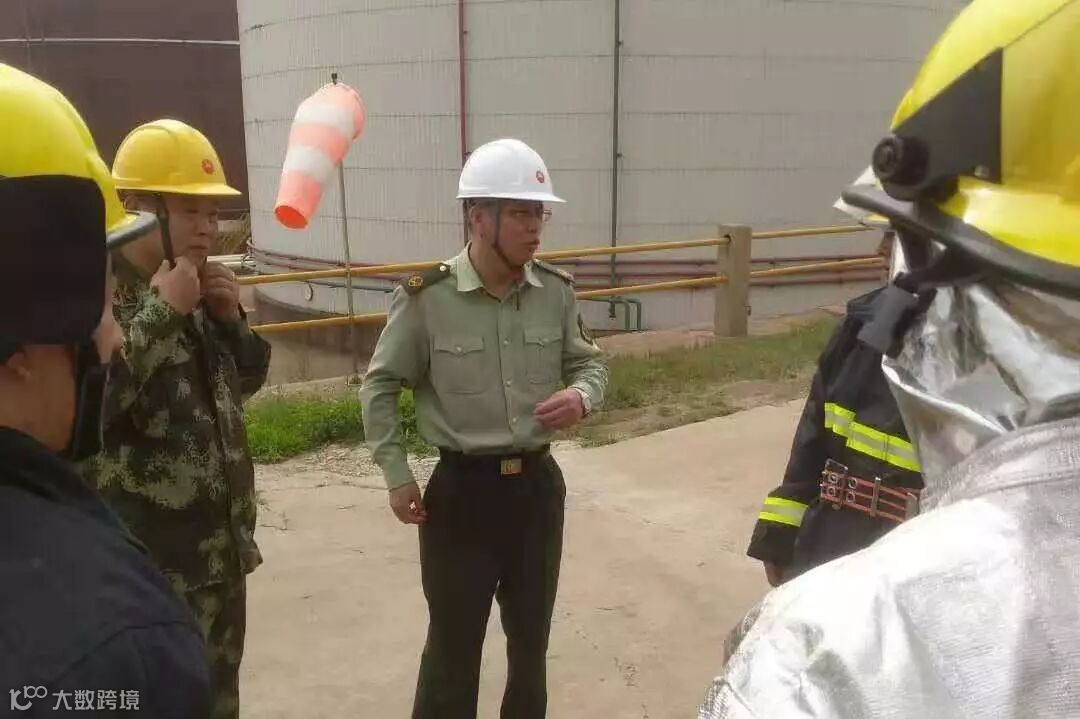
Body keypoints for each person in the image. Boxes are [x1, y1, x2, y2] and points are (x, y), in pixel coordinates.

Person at [699, 0, 1080, 716]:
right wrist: (782, 530)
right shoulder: (867, 330)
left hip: (908, 533)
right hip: (840, 532)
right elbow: (816, 433)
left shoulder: (825, 656)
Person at [361, 137, 609, 719]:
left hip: (535, 494)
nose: (535, 228)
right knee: (453, 651)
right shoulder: (426, 299)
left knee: (530, 647)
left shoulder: (555, 292)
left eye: (539, 213)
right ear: (478, 217)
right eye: (520, 213)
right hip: (462, 498)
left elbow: (591, 364)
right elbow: (380, 385)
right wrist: (397, 475)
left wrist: (582, 396)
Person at [0, 63, 209, 717]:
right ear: (21, 338)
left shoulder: (200, 290)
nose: (112, 336)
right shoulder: (110, 646)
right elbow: (116, 399)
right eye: (99, 304)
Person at [77, 119, 271, 719]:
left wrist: (230, 321)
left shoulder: (194, 286)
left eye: (213, 213)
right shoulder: (101, 300)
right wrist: (163, 313)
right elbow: (92, 408)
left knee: (218, 702)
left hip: (220, 560)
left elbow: (243, 384)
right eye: (191, 212)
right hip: (152, 573)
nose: (208, 228)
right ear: (138, 206)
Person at [747, 231, 924, 587]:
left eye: (895, 236)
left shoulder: (988, 353)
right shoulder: (859, 328)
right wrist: (780, 532)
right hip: (831, 543)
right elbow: (812, 440)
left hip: (923, 556)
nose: (881, 251)